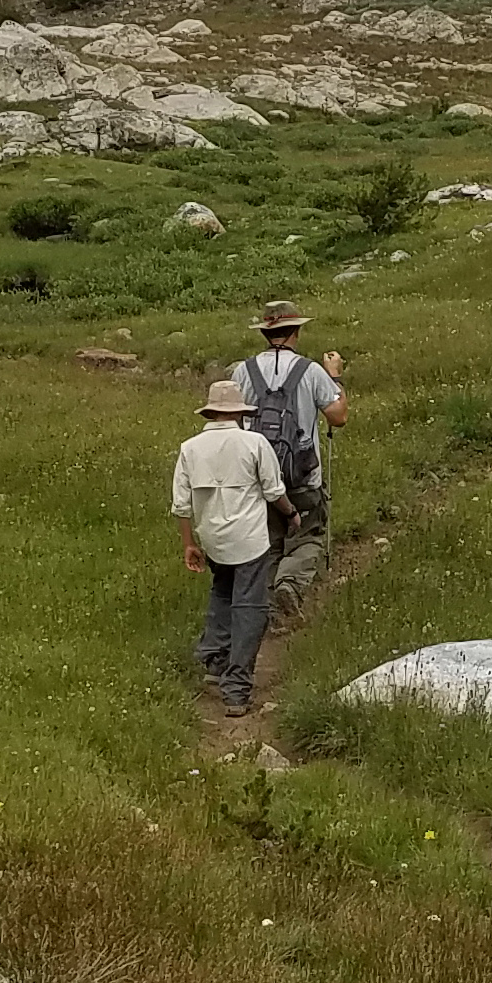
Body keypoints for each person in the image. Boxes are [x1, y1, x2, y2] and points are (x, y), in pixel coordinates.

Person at [169, 376, 287, 710]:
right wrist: (291, 514)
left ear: (210, 414)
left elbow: (181, 504)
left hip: (213, 539)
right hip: (249, 540)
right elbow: (274, 492)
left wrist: (189, 544)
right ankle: (236, 688)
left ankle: (214, 659)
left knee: (222, 591)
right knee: (250, 608)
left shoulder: (189, 449)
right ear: (239, 413)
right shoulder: (254, 443)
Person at [231, 301, 347, 593]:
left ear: (265, 333)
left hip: (256, 476)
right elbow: (338, 416)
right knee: (309, 536)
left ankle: (262, 603)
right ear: (296, 330)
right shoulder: (310, 371)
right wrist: (334, 376)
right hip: (302, 474)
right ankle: (290, 587)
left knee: (267, 540)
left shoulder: (244, 372)